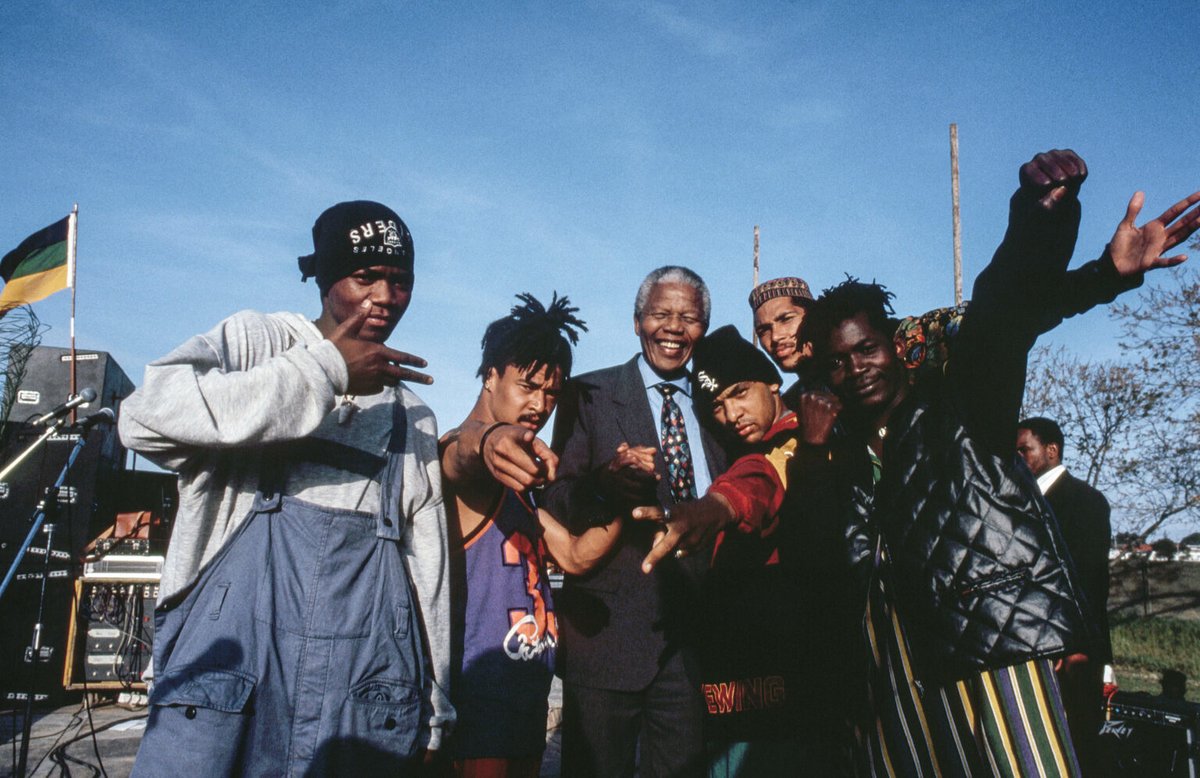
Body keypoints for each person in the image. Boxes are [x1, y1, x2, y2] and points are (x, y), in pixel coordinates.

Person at [643, 149, 1200, 776]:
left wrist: (1044, 221)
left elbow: (1000, 314)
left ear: (895, 346)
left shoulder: (961, 408)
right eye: (836, 360)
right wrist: (813, 462)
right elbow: (810, 549)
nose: (855, 368)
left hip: (992, 658)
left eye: (867, 350)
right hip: (893, 682)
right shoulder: (829, 441)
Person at [120, 201, 453, 776]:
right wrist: (324, 371)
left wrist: (436, 709)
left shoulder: (411, 418)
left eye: (399, 281)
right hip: (224, 691)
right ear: (326, 278)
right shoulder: (256, 342)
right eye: (364, 276)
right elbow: (145, 418)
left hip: (358, 703)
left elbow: (431, 574)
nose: (383, 297)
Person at [543, 265, 728, 777]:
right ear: (636, 321)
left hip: (693, 643)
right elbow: (555, 497)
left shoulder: (718, 406)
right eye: (660, 314)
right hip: (607, 640)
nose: (673, 328)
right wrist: (604, 483)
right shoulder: (590, 395)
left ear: (703, 330)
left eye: (688, 318)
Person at [651, 324, 851, 776]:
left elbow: (754, 485)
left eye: (740, 393)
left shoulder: (795, 440)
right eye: (717, 406)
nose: (730, 414)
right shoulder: (753, 446)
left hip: (781, 678)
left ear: (773, 382)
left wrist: (711, 509)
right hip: (753, 678)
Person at [439, 292, 621, 777]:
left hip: (525, 705)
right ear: (490, 375)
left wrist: (626, 500)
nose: (540, 405)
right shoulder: (466, 460)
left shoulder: (518, 485)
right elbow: (461, 455)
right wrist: (487, 439)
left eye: (551, 393)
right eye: (527, 386)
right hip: (476, 710)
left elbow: (577, 556)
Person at [1017, 416, 1113, 772]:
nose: (1017, 459)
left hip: (1071, 651)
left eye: (1023, 450)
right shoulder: (1021, 499)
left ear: (1052, 451)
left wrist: (1074, 644)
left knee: (1076, 745)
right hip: (1033, 645)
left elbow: (1088, 580)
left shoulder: (1085, 501)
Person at [749, 276, 819, 406]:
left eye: (786, 319)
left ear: (813, 316)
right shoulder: (789, 405)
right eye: (763, 331)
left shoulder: (855, 379)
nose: (775, 337)